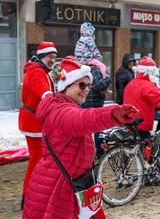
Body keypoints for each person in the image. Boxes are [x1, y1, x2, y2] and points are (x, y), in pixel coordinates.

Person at [22, 57, 138, 219]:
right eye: (81, 85)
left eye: (88, 85)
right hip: (60, 186)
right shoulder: (61, 111)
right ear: (65, 86)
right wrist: (112, 114)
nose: (86, 89)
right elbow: (83, 119)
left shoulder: (63, 105)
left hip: (73, 183)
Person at [123, 57, 160, 184]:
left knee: (129, 147)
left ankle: (124, 175)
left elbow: (141, 101)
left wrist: (155, 108)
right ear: (151, 72)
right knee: (149, 148)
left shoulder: (131, 83)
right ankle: (151, 176)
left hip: (129, 121)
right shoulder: (147, 85)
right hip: (142, 123)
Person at [18, 41, 57, 207]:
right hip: (34, 122)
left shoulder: (41, 70)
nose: (53, 60)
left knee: (40, 158)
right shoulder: (36, 72)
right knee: (36, 159)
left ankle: (33, 194)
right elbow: (45, 93)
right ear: (42, 56)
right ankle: (27, 197)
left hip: (36, 121)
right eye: (50, 57)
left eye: (54, 57)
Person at [81, 60, 112, 158]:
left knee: (86, 128)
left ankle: (85, 151)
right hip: (94, 103)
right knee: (98, 127)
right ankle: (99, 152)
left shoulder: (85, 70)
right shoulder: (94, 70)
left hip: (86, 102)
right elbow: (98, 85)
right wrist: (107, 78)